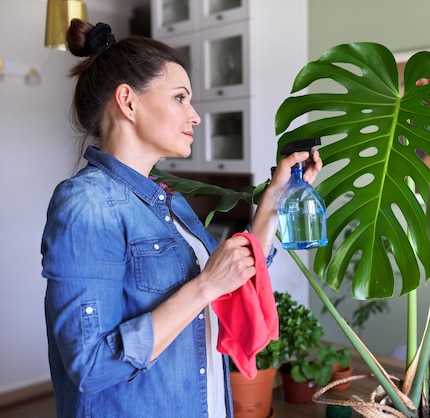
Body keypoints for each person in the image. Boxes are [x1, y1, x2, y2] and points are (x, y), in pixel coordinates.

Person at [41, 19, 322, 418]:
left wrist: (276, 195)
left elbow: (237, 272)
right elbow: (90, 366)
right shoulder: (86, 204)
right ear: (128, 101)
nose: (195, 116)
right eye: (180, 98)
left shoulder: (166, 200)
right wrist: (205, 287)